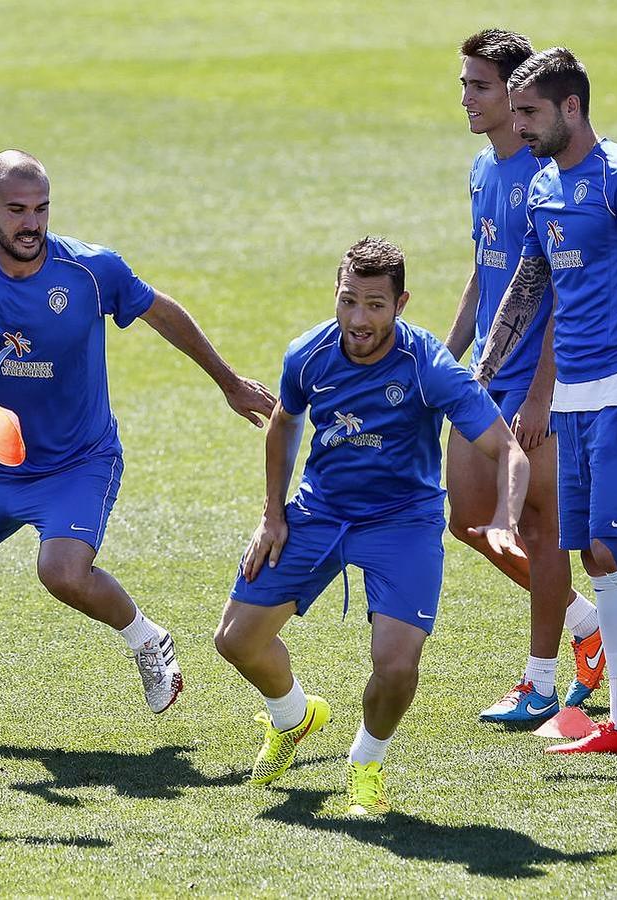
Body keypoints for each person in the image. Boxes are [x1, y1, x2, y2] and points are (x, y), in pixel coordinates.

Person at [0, 150, 275, 730]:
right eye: (17, 210)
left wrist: (228, 382)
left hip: (78, 462)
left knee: (61, 572)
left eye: (41, 209)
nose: (31, 223)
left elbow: (162, 313)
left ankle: (147, 639)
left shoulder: (90, 269)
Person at [214, 237, 529, 816]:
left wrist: (505, 521)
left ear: (401, 304)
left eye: (375, 305)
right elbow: (284, 422)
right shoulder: (308, 354)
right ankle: (294, 716)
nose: (359, 320)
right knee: (235, 640)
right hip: (322, 510)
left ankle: (366, 761)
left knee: (396, 665)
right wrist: (272, 513)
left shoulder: (428, 365)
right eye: (348, 301)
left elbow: (509, 451)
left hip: (401, 521)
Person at [476, 48, 617, 765]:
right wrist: (489, 372)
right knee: (595, 559)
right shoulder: (544, 188)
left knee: (615, 548)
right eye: (513, 112)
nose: (517, 127)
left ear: (569, 108)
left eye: (528, 113)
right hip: (573, 397)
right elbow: (531, 286)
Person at [444, 28, 605, 724]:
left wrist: (541, 393)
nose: (464, 98)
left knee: (540, 532)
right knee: (469, 523)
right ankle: (582, 623)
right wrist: (442, 363)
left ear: (516, 98)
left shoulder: (545, 183)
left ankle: (539, 683)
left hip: (538, 381)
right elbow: (482, 278)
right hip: (482, 374)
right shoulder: (483, 170)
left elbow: (560, 295)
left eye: (477, 85)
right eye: (463, 84)